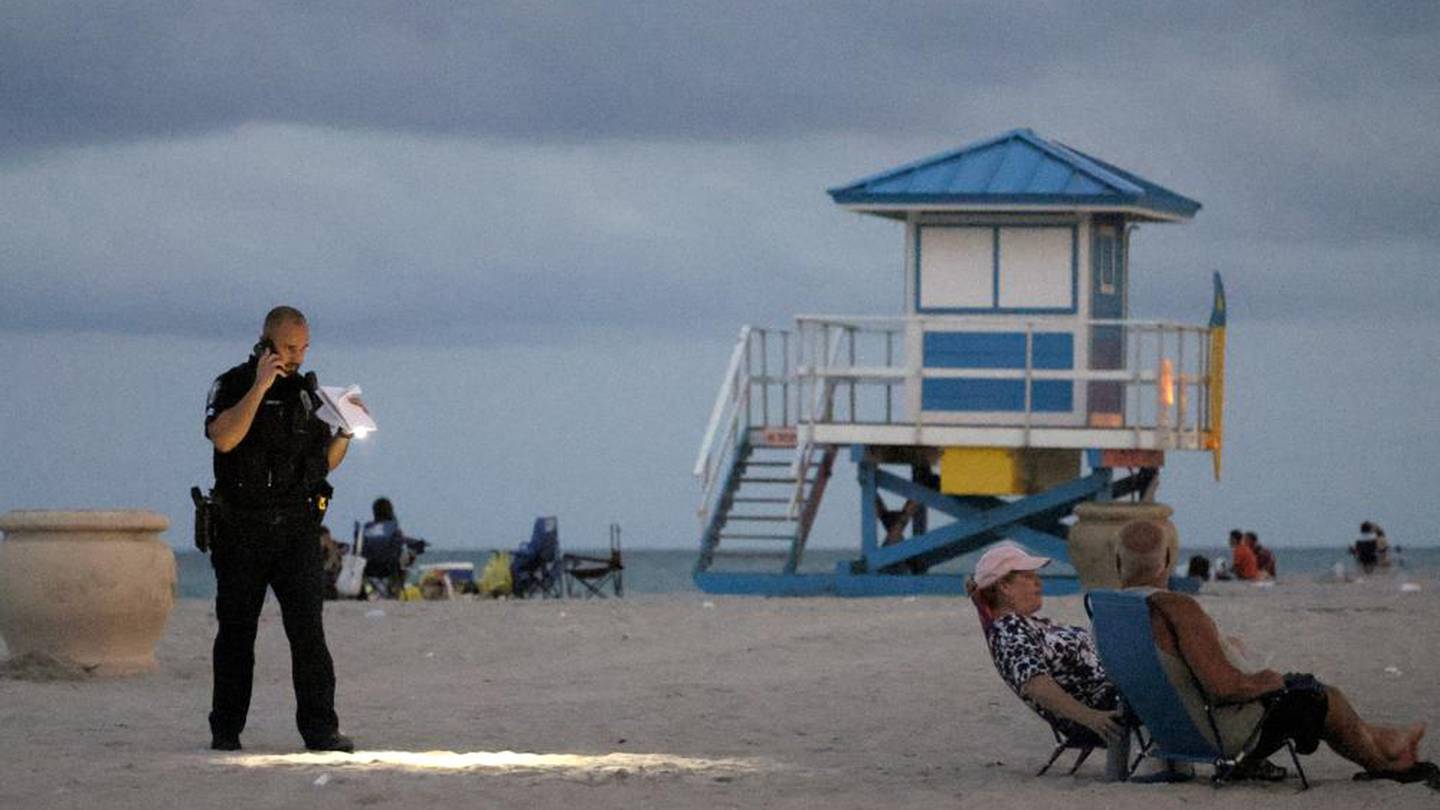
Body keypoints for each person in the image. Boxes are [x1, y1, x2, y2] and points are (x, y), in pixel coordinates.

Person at [1116, 520, 1432, 782]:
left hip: (1167, 730)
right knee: (1321, 696)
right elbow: (1223, 688)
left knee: (1300, 687)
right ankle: (1382, 765)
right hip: (1218, 734)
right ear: (1169, 557)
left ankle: (1388, 741)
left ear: (1118, 562)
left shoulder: (1110, 612)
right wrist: (1267, 680)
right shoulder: (1176, 608)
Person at [203, 305, 359, 753]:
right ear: (267, 342)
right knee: (236, 632)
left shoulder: (310, 396)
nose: (297, 357)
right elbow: (225, 437)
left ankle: (320, 730)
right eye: (290, 348)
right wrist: (260, 385)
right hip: (241, 529)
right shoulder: (232, 384)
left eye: (304, 348)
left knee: (308, 632)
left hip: (296, 530)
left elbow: (321, 465)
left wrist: (345, 433)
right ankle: (226, 729)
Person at [967, 544, 1125, 746]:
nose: (1038, 583)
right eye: (1029, 577)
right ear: (1004, 587)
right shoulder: (1009, 630)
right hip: (1106, 706)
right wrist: (1091, 717)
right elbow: (1035, 684)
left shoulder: (1023, 624)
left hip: (1115, 693)